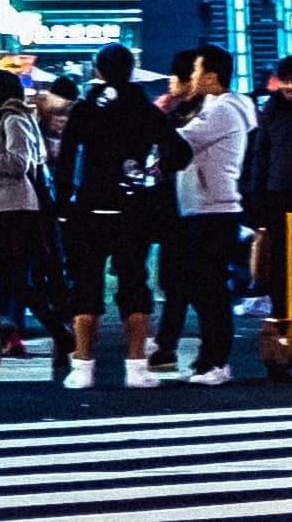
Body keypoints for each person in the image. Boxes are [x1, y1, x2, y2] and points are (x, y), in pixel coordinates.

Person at [55, 38, 173, 390]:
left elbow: (65, 162)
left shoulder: (85, 109)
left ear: (97, 71)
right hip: (132, 206)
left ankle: (83, 367)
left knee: (86, 285)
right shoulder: (145, 108)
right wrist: (156, 168)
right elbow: (177, 149)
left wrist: (63, 204)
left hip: (89, 205)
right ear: (132, 70)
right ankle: (136, 366)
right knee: (135, 284)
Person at [164, 40, 250, 383]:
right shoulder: (218, 105)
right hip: (207, 207)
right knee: (204, 287)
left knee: (210, 288)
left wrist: (161, 111)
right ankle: (209, 359)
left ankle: (217, 362)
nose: (193, 76)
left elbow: (180, 140)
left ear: (212, 76)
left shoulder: (221, 109)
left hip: (215, 209)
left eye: (198, 70)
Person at [0, 61, 57, 365]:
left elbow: (19, 164)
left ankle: (60, 333)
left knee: (7, 281)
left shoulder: (13, 120)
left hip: (13, 211)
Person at [243, 51, 292, 333]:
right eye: (287, 81)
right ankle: (283, 315)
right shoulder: (270, 112)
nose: (291, 86)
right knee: (279, 260)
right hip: (276, 194)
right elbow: (260, 157)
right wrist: (256, 197)